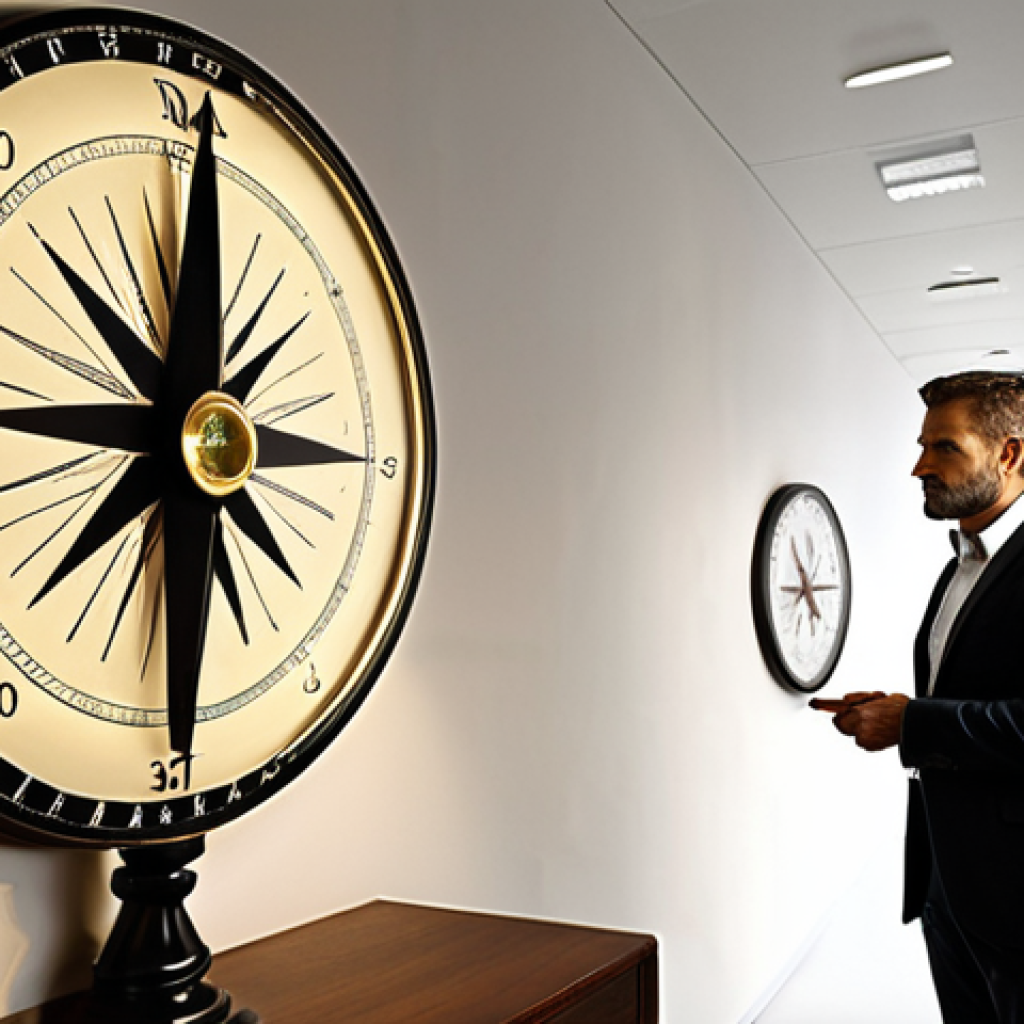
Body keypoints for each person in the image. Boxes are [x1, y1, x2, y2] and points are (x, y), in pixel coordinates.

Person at [817, 370, 1024, 1024]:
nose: (919, 467)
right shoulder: (964, 562)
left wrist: (914, 724)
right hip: (950, 885)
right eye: (922, 445)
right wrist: (900, 706)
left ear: (1009, 454)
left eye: (944, 448)